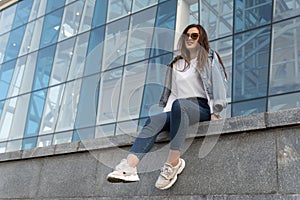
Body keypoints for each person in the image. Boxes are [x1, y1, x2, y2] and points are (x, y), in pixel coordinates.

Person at [106, 24, 228, 190]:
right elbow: (173, 94)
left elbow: (219, 86)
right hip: (179, 107)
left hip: (201, 107)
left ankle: (173, 163)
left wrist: (216, 111)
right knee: (155, 118)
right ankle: (129, 167)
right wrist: (165, 118)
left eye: (194, 36)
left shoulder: (208, 58)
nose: (190, 39)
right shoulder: (175, 64)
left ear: (201, 39)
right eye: (187, 35)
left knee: (181, 105)